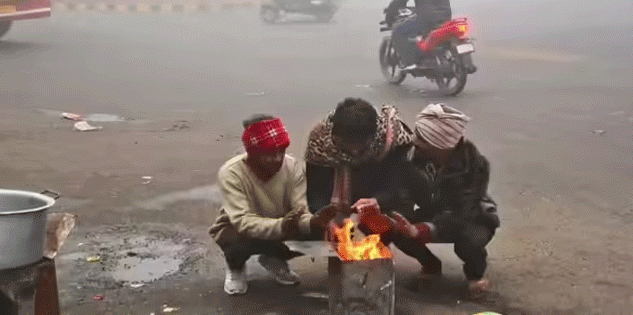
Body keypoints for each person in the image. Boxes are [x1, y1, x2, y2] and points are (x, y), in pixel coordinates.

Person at [304, 98, 439, 272]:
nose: (354, 152)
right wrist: (327, 218)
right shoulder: (320, 142)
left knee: (390, 224)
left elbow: (398, 183)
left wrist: (378, 202)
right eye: (348, 145)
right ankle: (338, 266)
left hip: (382, 190)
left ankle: (429, 262)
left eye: (361, 146)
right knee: (328, 226)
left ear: (372, 137)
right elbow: (315, 190)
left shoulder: (391, 139)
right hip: (339, 192)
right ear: (336, 136)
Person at [208, 114, 337, 295]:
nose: (277, 159)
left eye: (281, 152)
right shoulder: (231, 173)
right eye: (269, 155)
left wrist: (312, 222)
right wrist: (281, 226)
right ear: (253, 154)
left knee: (319, 232)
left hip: (283, 222)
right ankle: (235, 267)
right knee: (235, 239)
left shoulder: (292, 167)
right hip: (241, 229)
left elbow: (300, 209)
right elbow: (242, 221)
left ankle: (273, 258)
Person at [388, 103, 501, 300]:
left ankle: (475, 276)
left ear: (442, 145)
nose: (415, 142)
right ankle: (430, 265)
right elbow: (401, 194)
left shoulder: (475, 165)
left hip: (473, 216)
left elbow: (463, 212)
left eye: (422, 139)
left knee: (469, 240)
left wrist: (422, 230)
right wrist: (399, 218)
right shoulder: (410, 159)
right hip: (433, 210)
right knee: (395, 229)